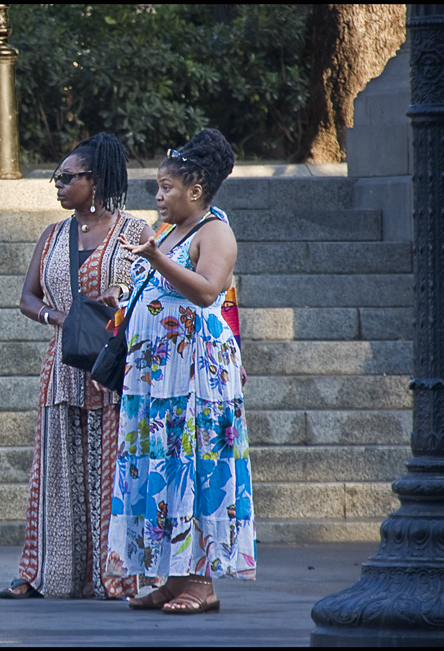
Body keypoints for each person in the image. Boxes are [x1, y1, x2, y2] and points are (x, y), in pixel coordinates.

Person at [105, 128, 255, 614]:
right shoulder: (170, 232)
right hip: (158, 374)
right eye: (157, 187)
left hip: (195, 373)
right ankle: (173, 576)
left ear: (195, 189)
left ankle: (202, 583)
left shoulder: (215, 230)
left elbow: (209, 290)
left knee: (194, 462)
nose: (158, 196)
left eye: (166, 187)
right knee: (163, 467)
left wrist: (153, 259)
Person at [0, 133, 153, 600]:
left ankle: (116, 575)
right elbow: (28, 297)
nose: (58, 185)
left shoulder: (136, 233)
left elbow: (154, 292)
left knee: (113, 473)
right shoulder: (53, 234)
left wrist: (120, 303)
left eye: (68, 178)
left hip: (114, 367)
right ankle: (52, 572)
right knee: (57, 474)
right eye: (57, 177)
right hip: (63, 366)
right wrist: (58, 317)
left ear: (98, 180)